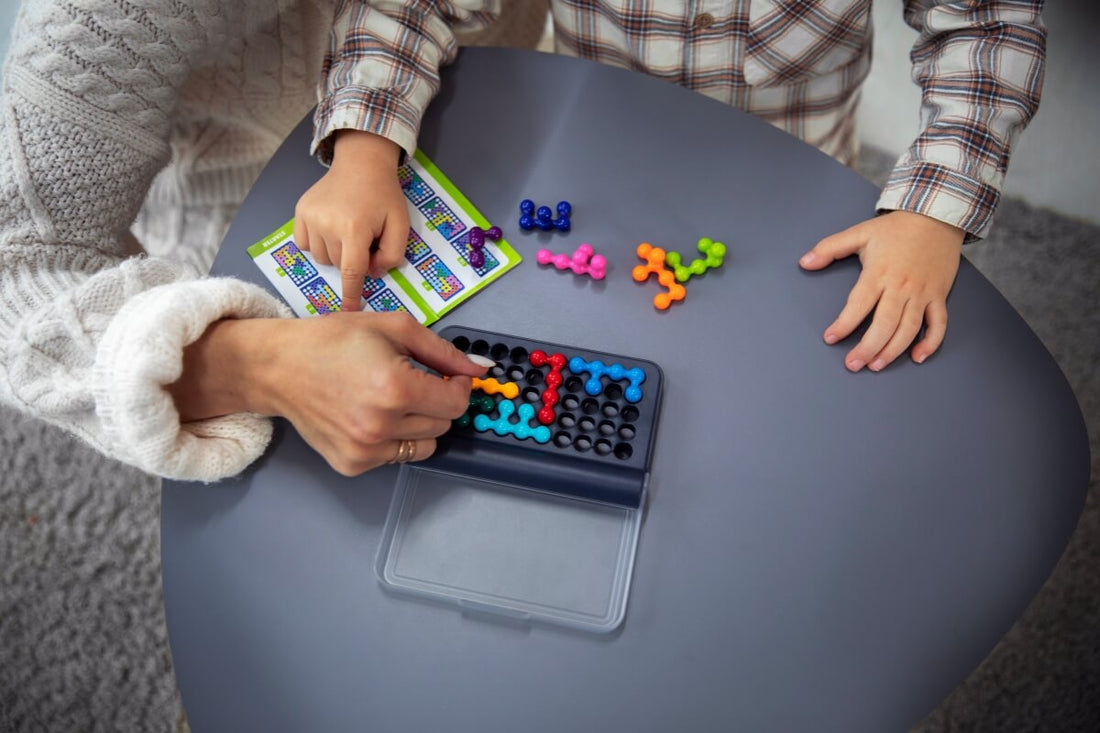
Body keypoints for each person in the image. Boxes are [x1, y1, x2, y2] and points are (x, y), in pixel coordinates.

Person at [294, 0, 1045, 374]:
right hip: (602, 163)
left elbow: (988, 25)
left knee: (765, 362)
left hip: (793, 165)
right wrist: (364, 148)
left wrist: (932, 211)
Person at [0, 0, 534, 482]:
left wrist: (365, 142)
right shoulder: (90, 20)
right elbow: (15, 275)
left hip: (455, 124)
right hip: (221, 228)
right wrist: (260, 366)